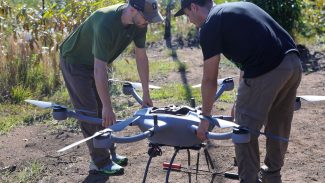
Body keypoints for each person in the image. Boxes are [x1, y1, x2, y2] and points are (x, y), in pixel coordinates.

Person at [175, 0, 302, 182]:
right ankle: (272, 175)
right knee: (278, 124)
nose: (189, 20)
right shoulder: (235, 8)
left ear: (194, 7)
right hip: (293, 63)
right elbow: (249, 54)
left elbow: (209, 79)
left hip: (266, 68)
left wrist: (205, 118)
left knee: (243, 130)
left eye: (187, 14)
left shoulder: (210, 25)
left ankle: (249, 179)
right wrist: (238, 101)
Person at [59, 0, 163, 175]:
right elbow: (99, 69)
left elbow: (141, 57)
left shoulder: (139, 23)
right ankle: (99, 162)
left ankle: (111, 153)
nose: (148, 22)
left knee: (104, 111)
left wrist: (146, 93)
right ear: (132, 9)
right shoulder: (105, 22)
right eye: (146, 17)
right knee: (91, 112)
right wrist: (107, 106)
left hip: (96, 63)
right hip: (75, 62)